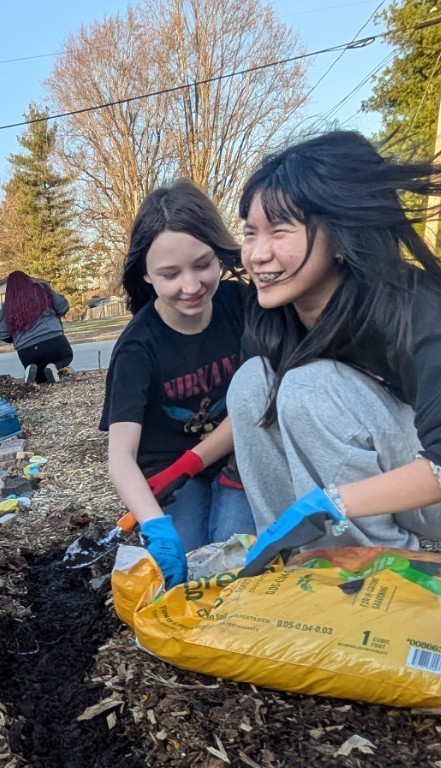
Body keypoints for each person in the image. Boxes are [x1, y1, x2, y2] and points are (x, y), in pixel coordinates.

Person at [228, 130, 441, 577]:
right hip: (355, 498)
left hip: (432, 494)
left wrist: (330, 504)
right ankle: (296, 561)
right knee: (252, 383)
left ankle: (378, 573)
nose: (257, 254)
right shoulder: (274, 316)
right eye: (251, 233)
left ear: (339, 235)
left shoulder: (418, 309)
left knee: (308, 385)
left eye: (279, 230)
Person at [99, 180, 255, 588]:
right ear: (147, 275)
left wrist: (197, 459)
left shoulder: (242, 305)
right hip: (169, 478)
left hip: (238, 463)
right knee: (185, 573)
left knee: (230, 571)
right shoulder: (137, 347)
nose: (191, 286)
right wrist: (154, 525)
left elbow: (257, 401)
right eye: (170, 274)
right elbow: (120, 457)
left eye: (203, 264)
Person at [0, 271, 72, 384]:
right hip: (54, 341)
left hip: (27, 352)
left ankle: (33, 374)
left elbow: (2, 332)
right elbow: (63, 306)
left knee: (40, 377)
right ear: (28, 279)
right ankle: (54, 367)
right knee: (67, 357)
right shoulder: (43, 289)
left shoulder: (8, 305)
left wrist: (15, 338)